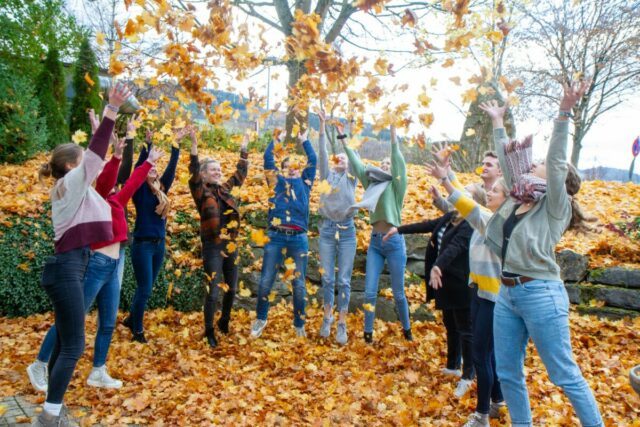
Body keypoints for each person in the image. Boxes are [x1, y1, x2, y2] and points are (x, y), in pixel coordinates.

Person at [480, 80, 603, 427]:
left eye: (540, 165)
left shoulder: (554, 206)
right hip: (507, 293)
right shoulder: (520, 198)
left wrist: (564, 111)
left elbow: (556, 157)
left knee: (563, 375)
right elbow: (508, 163)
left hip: (540, 293)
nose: (532, 165)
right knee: (508, 373)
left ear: (557, 178)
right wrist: (497, 122)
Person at [28, 132, 163, 392]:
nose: (109, 177)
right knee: (71, 319)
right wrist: (114, 156)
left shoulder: (114, 200)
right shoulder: (95, 195)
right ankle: (40, 363)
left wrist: (145, 161)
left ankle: (98, 370)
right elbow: (106, 177)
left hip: (114, 265)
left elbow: (132, 183)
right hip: (96, 264)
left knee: (108, 322)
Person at [32, 83, 131, 427]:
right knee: (74, 345)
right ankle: (51, 416)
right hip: (68, 269)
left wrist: (113, 148)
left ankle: (50, 409)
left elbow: (100, 166)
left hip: (68, 267)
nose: (91, 166)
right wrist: (111, 111)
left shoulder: (73, 190)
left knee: (65, 341)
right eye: (84, 162)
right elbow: (93, 157)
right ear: (72, 165)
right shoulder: (72, 184)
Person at [426, 158, 509, 426]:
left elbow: (469, 203)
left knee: (481, 356)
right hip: (480, 292)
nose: (489, 194)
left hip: (491, 298)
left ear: (505, 200)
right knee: (489, 354)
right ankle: (498, 400)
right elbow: (469, 198)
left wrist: (445, 180)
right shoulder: (486, 219)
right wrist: (448, 173)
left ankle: (482, 415)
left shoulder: (492, 223)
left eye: (495, 192)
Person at [384, 186, 477, 398]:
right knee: (450, 325)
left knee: (466, 331)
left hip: (460, 283)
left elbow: (454, 248)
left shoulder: (469, 225)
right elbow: (426, 225)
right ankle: (453, 365)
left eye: (466, 199)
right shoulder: (449, 218)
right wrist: (398, 229)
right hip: (443, 283)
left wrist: (438, 266)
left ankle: (468, 375)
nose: (459, 202)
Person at [343, 125, 412, 344]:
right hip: (375, 244)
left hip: (394, 243)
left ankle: (407, 330)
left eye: (387, 165)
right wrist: (344, 140)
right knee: (369, 292)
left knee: (399, 293)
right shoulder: (371, 185)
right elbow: (358, 165)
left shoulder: (396, 188)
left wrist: (393, 138)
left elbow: (399, 165)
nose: (384, 166)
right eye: (381, 164)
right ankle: (368, 333)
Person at [251, 129, 317, 338]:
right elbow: (267, 158)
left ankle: (299, 324)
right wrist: (276, 139)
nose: (291, 170)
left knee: (298, 285)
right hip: (276, 237)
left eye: (295, 167)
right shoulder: (275, 182)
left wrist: (304, 141)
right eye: (287, 167)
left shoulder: (306, 183)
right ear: (282, 170)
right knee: (265, 281)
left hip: (298, 239)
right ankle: (261, 319)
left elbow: (313, 159)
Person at [189, 128, 249, 347]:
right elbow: (193, 169)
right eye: (213, 170)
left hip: (230, 245)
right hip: (213, 246)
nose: (218, 172)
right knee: (213, 291)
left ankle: (224, 321)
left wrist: (244, 148)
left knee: (232, 288)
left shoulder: (224, 189)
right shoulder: (200, 191)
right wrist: (194, 145)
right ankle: (209, 330)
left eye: (219, 169)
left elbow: (239, 174)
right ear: (204, 174)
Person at [123, 128, 181, 343]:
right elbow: (138, 170)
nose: (154, 169)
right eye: (151, 167)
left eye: (156, 167)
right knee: (144, 288)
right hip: (142, 245)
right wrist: (147, 148)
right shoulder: (138, 190)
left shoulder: (162, 189)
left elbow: (172, 168)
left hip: (158, 246)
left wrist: (175, 144)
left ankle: (131, 318)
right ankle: (137, 329)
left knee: (147, 287)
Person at [316, 112, 358, 345]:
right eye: (338, 157)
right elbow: (322, 153)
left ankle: (341, 323)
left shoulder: (352, 178)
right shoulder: (326, 176)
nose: (340, 159)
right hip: (328, 230)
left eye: (344, 157)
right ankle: (327, 317)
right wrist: (323, 127)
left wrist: (345, 134)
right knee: (328, 279)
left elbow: (352, 154)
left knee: (343, 280)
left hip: (348, 231)